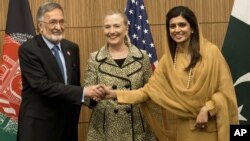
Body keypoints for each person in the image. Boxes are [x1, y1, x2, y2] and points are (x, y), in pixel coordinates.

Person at [104, 6, 239, 141]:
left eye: (182, 25)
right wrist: (115, 94)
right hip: (185, 132)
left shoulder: (211, 53)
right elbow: (148, 92)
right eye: (172, 26)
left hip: (210, 129)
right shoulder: (168, 61)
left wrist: (207, 108)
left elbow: (226, 94)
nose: (177, 30)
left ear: (192, 28)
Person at [17, 2, 104, 141]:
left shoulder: (72, 48)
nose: (58, 27)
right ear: (40, 26)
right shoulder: (29, 49)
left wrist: (92, 96)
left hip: (67, 126)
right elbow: (42, 86)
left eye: (61, 22)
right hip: (39, 128)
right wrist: (84, 92)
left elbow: (72, 85)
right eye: (53, 22)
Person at [83, 10, 161, 141]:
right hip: (105, 131)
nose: (111, 31)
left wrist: (157, 129)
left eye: (116, 26)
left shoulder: (142, 57)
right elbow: (86, 96)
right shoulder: (95, 58)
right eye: (107, 27)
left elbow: (152, 95)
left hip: (138, 131)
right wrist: (96, 94)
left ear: (126, 29)